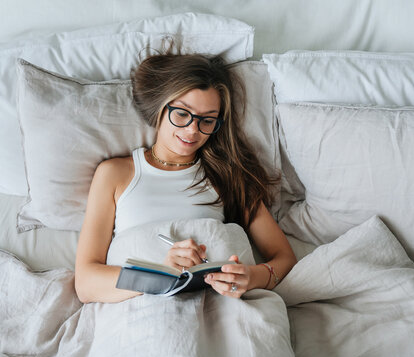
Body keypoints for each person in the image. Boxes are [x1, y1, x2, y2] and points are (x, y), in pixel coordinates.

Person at [74, 52, 297, 303]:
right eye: (182, 113)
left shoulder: (226, 175)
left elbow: (284, 258)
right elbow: (85, 283)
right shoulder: (114, 174)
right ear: (160, 107)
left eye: (207, 120)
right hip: (142, 310)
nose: (193, 130)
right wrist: (160, 275)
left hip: (216, 306)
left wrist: (250, 277)